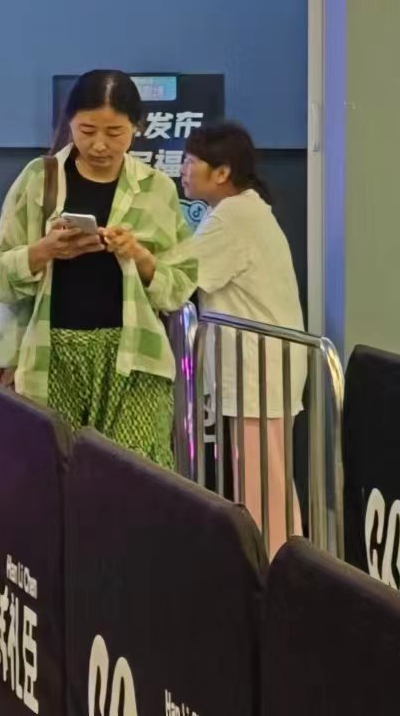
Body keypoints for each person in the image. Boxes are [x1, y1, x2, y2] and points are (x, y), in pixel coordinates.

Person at [0, 70, 197, 468]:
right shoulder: (40, 178)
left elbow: (180, 284)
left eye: (115, 133)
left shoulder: (157, 189)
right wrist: (44, 251)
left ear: (136, 127)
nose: (99, 145)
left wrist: (138, 255)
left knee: (135, 479)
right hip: (51, 357)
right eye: (87, 130)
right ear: (69, 124)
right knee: (55, 477)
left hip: (135, 361)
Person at [176, 121, 306, 554]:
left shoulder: (233, 216)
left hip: (259, 370)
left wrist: (134, 252)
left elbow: (181, 273)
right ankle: (281, 566)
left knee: (263, 486)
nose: (183, 170)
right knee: (267, 480)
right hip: (263, 369)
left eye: (191, 161)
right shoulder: (242, 210)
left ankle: (278, 570)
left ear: (222, 172)